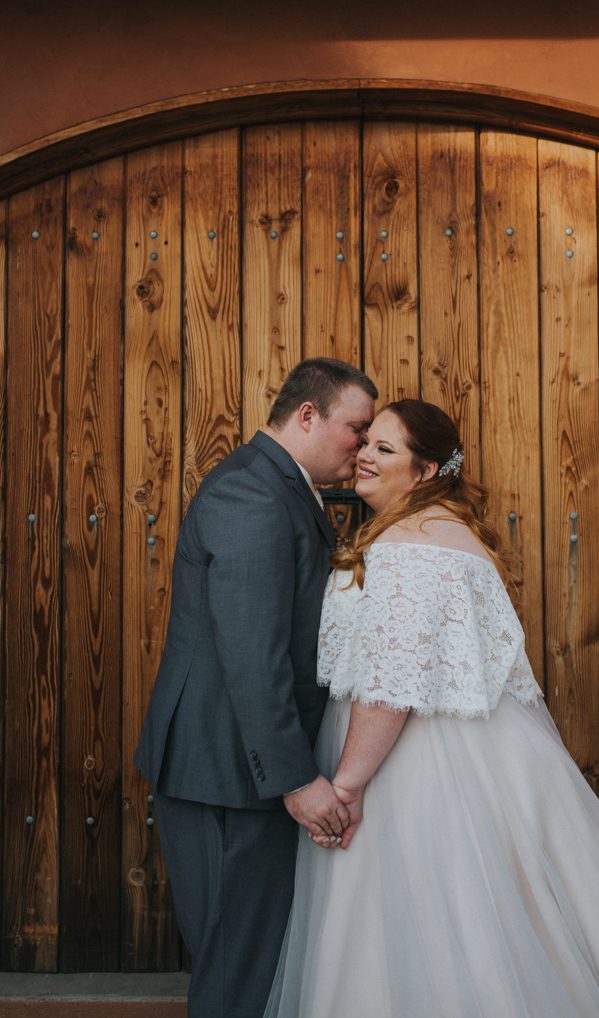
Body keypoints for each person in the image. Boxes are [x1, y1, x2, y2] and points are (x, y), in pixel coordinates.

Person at [264, 399, 599, 1018]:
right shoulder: (446, 532)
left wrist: (349, 784)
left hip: (411, 766)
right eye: (367, 442)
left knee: (423, 925)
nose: (365, 455)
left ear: (426, 471)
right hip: (486, 751)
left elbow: (392, 681)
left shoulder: (410, 545)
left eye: (386, 450)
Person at [135, 357, 377, 1018]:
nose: (361, 447)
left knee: (246, 964)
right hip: (228, 773)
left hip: (236, 770)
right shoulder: (252, 492)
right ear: (307, 415)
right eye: (355, 430)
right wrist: (295, 780)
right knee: (238, 973)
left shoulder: (279, 486)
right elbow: (252, 649)